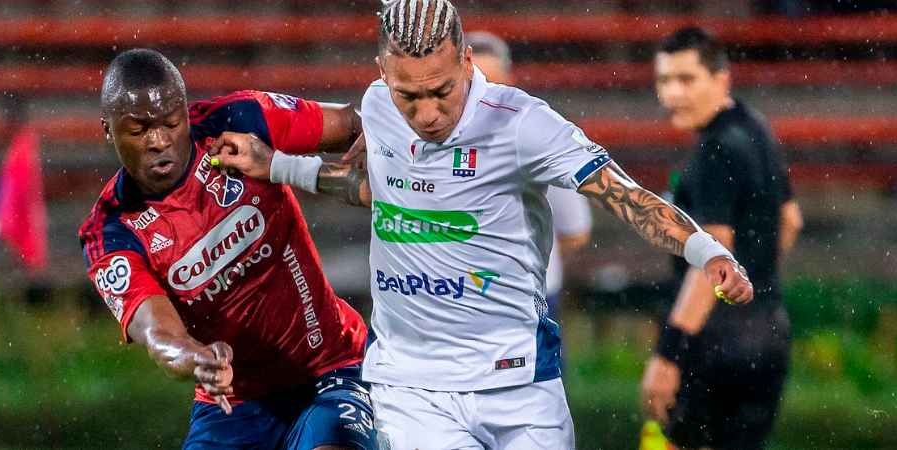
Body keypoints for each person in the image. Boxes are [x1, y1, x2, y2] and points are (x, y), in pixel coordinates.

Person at [208, 1, 755, 448]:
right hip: (411, 384)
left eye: (441, 91)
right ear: (383, 76)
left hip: (519, 383)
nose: (426, 114)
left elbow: (624, 196)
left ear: (467, 62)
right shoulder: (377, 108)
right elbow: (377, 190)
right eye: (409, 95)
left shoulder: (525, 125)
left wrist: (707, 252)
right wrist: (276, 165)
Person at [77, 49, 376, 450]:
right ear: (108, 130)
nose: (159, 141)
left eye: (171, 123)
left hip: (331, 367)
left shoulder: (240, 121)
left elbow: (353, 124)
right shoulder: (111, 231)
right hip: (233, 406)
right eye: (138, 130)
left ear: (185, 113)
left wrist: (379, 142)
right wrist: (197, 359)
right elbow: (158, 333)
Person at [640, 27, 802, 450]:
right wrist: (756, 283)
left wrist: (669, 354)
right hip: (768, 334)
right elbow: (791, 220)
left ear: (721, 80)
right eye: (663, 81)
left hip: (716, 343)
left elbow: (715, 256)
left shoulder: (714, 150)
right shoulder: (756, 127)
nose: (673, 93)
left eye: (686, 79)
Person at [467, 30, 593, 318]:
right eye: (472, 83)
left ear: (509, 79)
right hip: (456, 299)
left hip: (528, 299)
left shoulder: (537, 137)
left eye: (490, 82)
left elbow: (576, 230)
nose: (481, 94)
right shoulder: (433, 139)